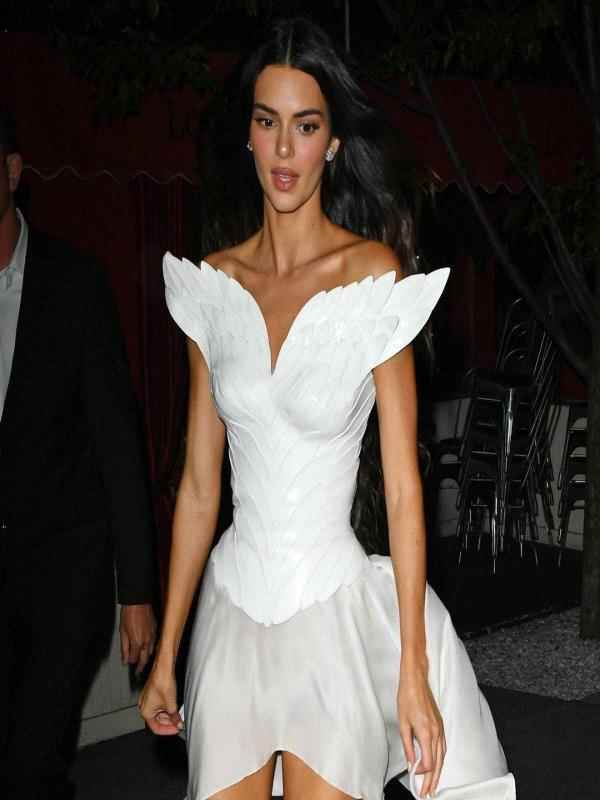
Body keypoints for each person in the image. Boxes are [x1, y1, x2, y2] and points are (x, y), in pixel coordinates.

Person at [140, 17, 515, 800]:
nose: (284, 148)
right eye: (267, 122)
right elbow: (201, 487)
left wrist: (411, 669)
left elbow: (405, 488)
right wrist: (167, 649)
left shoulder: (371, 275)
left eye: (305, 126)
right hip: (232, 614)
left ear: (333, 142)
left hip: (331, 617)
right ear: (248, 135)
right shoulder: (213, 285)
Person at [0, 109, 157, 800]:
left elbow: (118, 440)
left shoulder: (73, 283)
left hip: (65, 573)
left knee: (31, 764)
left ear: (12, 172)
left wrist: (137, 592)